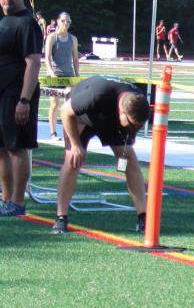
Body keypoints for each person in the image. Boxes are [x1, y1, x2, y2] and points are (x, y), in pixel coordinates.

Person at [51, 78, 151, 235]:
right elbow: (65, 111)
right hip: (82, 117)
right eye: (133, 126)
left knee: (129, 160)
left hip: (111, 119)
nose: (135, 130)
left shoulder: (137, 101)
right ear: (122, 111)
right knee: (73, 160)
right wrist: (76, 145)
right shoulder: (95, 95)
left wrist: (123, 157)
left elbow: (130, 131)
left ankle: (143, 217)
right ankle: (61, 218)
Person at [0, 0, 43, 218]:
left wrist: (24, 100)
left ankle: (17, 202)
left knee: (17, 147)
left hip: (16, 95)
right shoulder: (4, 21)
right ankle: (6, 199)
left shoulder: (27, 23)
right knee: (2, 148)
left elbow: (33, 63)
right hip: (2, 95)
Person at [44, 12, 80, 140]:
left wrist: (77, 75)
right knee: (54, 104)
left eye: (68, 21)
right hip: (55, 75)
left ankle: (68, 133)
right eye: (64, 21)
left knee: (68, 105)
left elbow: (75, 58)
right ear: (58, 21)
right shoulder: (52, 37)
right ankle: (53, 133)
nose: (66, 23)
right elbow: (47, 58)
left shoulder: (73, 39)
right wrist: (52, 73)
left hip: (69, 75)